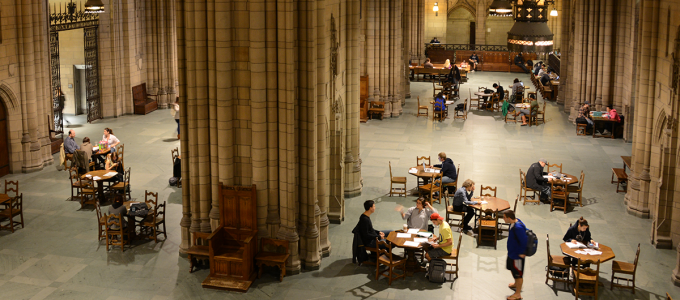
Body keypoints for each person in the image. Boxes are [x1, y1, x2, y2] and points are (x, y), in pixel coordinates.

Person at [504, 210, 527, 300]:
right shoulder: (513, 223)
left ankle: (518, 294)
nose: (503, 219)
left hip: (517, 256)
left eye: (504, 217)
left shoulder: (518, 227)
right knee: (512, 269)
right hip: (511, 253)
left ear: (509, 218)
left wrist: (522, 252)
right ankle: (515, 284)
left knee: (518, 274)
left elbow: (524, 240)